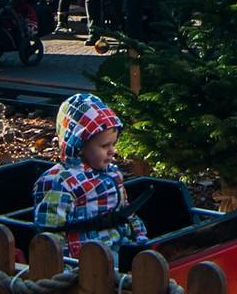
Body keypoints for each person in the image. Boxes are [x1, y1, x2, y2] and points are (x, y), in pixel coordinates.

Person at [32, 93, 151, 252]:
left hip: (119, 245)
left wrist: (139, 235)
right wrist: (62, 263)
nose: (112, 151)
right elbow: (51, 232)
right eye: (104, 146)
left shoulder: (113, 176)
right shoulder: (61, 183)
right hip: (85, 256)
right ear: (79, 146)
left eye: (113, 144)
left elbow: (126, 212)